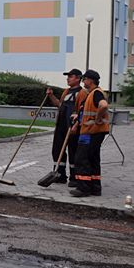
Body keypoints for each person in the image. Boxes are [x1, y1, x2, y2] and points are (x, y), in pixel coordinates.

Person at [69, 69, 109, 197]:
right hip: (94, 132)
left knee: (82, 159)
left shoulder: (96, 93)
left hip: (91, 133)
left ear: (90, 80)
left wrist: (97, 119)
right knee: (93, 159)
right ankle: (95, 187)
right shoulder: (92, 94)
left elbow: (103, 105)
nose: (83, 81)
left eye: (84, 79)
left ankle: (83, 188)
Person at [45, 68, 86, 186]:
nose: (68, 78)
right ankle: (60, 175)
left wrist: (76, 124)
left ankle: (74, 177)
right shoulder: (66, 92)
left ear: (78, 78)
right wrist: (51, 96)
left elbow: (82, 110)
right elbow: (59, 105)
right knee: (57, 150)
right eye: (67, 76)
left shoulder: (82, 93)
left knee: (74, 151)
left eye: (71, 76)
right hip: (61, 125)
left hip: (73, 127)